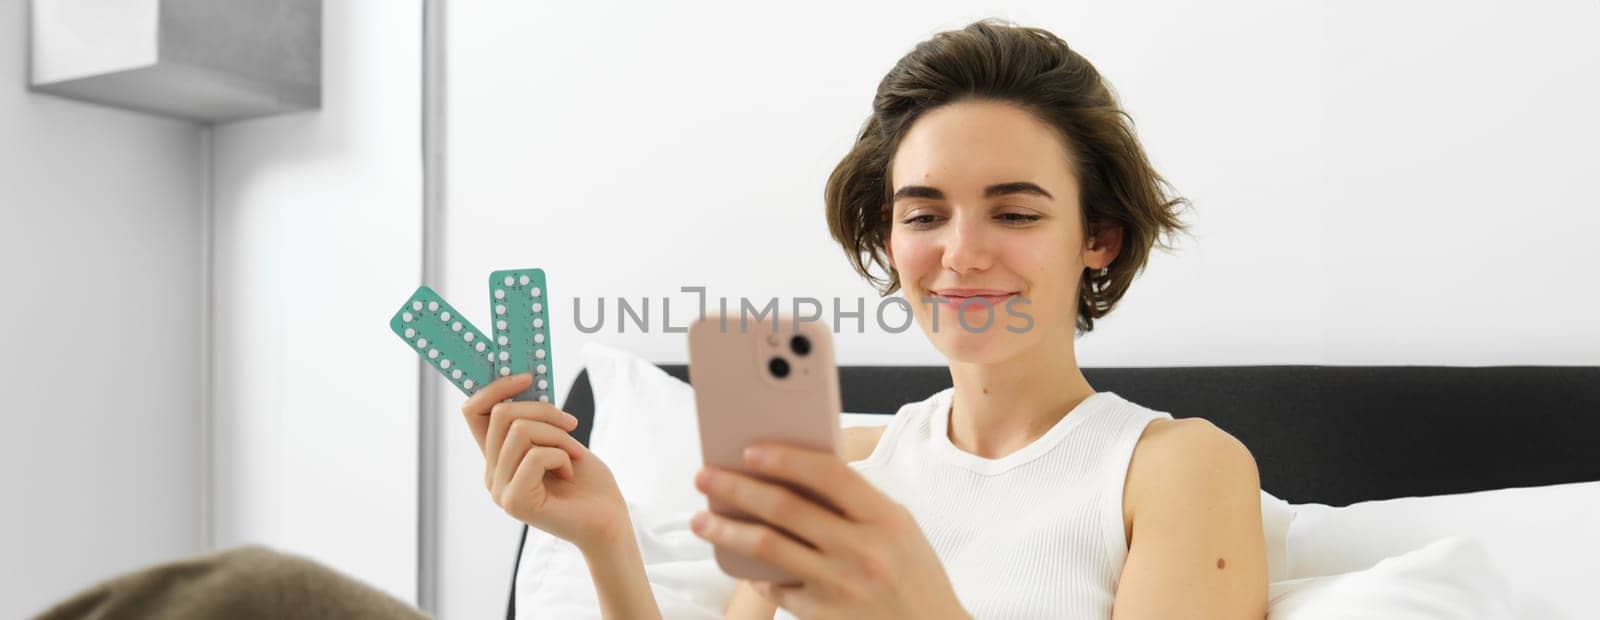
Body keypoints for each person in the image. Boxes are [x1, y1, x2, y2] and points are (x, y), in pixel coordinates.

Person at [467, 17, 1267, 620]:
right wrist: (604, 536)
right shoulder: (831, 465)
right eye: (923, 216)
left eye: (1016, 214)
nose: (961, 253)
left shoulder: (1176, 469)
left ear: (1099, 237)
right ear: (887, 239)